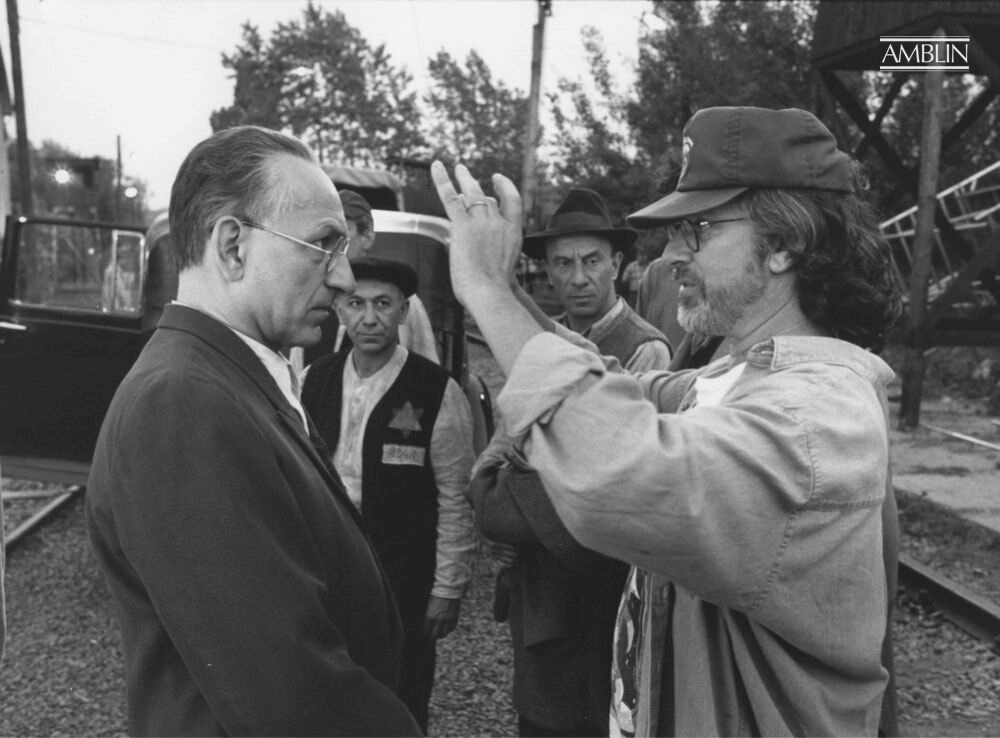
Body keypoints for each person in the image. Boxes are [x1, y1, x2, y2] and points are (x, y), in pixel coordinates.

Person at [430, 105, 902, 736]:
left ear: (786, 244)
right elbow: (605, 384)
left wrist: (487, 290)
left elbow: (620, 468)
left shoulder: (816, 415)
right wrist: (510, 291)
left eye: (697, 230)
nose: (671, 254)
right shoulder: (734, 379)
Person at [85, 126, 420, 736]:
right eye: (323, 244)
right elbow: (293, 697)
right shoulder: (182, 403)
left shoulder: (221, 378)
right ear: (233, 246)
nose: (345, 279)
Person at [301, 256, 476, 733]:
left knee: (400, 696)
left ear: (403, 311)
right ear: (339, 309)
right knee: (328, 693)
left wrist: (447, 587)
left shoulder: (435, 390)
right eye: (355, 303)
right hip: (329, 569)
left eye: (383, 304)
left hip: (404, 578)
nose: (369, 318)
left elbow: (456, 496)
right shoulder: (314, 379)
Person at [521, 187, 672, 371]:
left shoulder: (645, 349)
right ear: (549, 273)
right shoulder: (542, 337)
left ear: (615, 266)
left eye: (592, 261)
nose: (578, 279)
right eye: (564, 263)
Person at [302, 189, 439, 367]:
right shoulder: (311, 297)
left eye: (342, 232)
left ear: (367, 236)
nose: (331, 243)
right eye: (326, 234)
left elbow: (427, 366)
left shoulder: (402, 297)